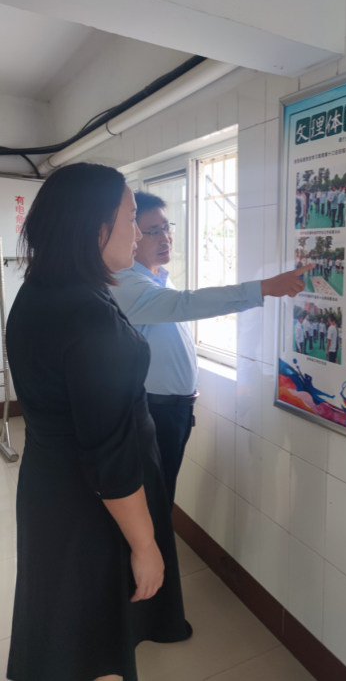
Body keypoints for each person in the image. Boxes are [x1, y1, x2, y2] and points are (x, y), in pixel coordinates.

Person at [5, 164, 191, 681]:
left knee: (71, 629)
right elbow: (109, 455)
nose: (139, 232)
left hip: (52, 490)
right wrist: (145, 545)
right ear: (95, 226)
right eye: (131, 219)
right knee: (96, 639)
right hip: (93, 507)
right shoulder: (89, 317)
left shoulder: (41, 292)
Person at [112, 192, 312, 506]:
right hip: (151, 410)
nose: (165, 238)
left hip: (171, 409)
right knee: (151, 498)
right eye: (153, 231)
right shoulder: (123, 283)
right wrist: (263, 288)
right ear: (131, 234)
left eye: (166, 227)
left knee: (161, 491)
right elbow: (186, 304)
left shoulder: (156, 279)